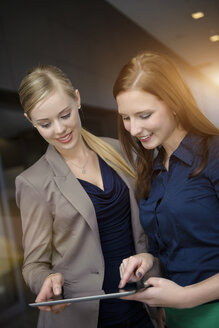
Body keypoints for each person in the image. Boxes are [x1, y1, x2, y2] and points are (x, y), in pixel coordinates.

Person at [15, 65, 158, 328]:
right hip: (81, 317)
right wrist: (45, 281)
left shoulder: (122, 150)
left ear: (77, 99)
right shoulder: (32, 183)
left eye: (65, 115)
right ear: (30, 120)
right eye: (45, 124)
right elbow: (34, 264)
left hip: (140, 306)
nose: (59, 130)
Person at [112, 51, 219, 328]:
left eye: (144, 115)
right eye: (126, 118)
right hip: (176, 317)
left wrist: (186, 297)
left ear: (173, 103)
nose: (134, 129)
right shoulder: (152, 170)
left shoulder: (215, 154)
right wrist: (147, 260)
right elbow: (168, 248)